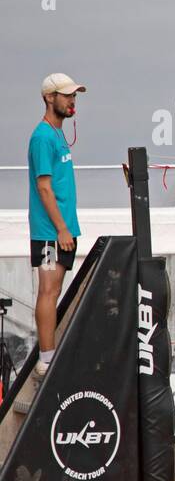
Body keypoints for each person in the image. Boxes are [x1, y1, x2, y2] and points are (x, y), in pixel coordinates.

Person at [28, 73, 85, 379]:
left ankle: (50, 356)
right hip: (51, 231)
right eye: (66, 95)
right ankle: (46, 360)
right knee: (48, 291)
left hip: (64, 228)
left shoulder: (58, 134)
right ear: (50, 98)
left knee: (56, 289)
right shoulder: (42, 137)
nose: (72, 100)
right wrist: (61, 228)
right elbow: (44, 188)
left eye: (74, 95)